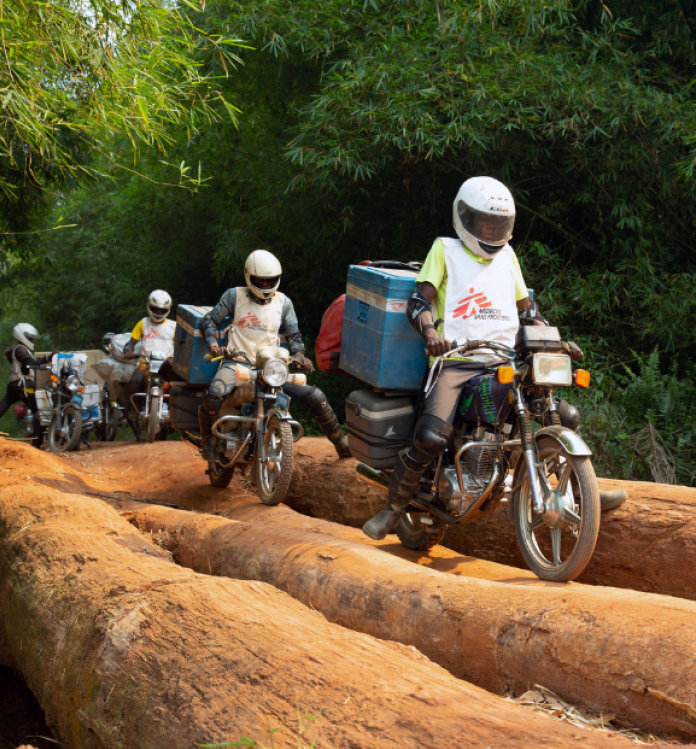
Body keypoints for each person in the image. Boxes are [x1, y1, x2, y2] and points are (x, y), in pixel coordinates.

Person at [362, 178, 625, 541]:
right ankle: (393, 509)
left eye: (497, 225)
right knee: (431, 436)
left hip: (504, 360)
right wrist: (430, 334)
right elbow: (418, 302)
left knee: (564, 414)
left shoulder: (507, 256)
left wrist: (555, 340)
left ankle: (584, 491)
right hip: (455, 361)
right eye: (483, 222)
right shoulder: (445, 250)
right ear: (464, 217)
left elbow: (528, 310)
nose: (490, 231)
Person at [198, 250, 316, 462]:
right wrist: (213, 344)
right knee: (214, 393)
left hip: (270, 366)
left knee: (312, 396)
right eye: (260, 280)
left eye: (270, 280)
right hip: (236, 362)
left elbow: (293, 334)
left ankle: (339, 444)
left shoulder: (284, 302)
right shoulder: (234, 296)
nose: (265, 284)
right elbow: (209, 320)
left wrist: (299, 354)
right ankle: (207, 440)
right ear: (248, 276)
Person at [121, 290, 178, 424]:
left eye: (161, 310)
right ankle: (134, 410)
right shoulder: (143, 323)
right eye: (155, 309)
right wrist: (128, 349)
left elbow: (182, 345)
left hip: (167, 364)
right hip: (145, 363)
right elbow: (131, 342)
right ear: (149, 307)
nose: (158, 313)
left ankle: (175, 412)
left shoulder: (173, 326)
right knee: (134, 381)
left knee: (178, 386)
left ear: (167, 310)